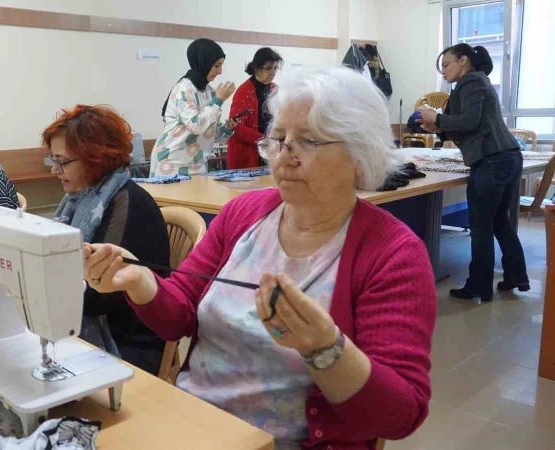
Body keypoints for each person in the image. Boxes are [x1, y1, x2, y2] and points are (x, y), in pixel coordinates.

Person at [84, 67, 436, 449]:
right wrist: (140, 283)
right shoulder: (244, 213)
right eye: (279, 140)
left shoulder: (393, 253)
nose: (285, 157)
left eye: (308, 142)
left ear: (358, 153)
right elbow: (179, 314)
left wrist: (325, 349)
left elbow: (401, 414)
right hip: (192, 423)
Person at [43, 104, 170, 375]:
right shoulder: (80, 200)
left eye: (62, 162)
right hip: (90, 330)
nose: (55, 170)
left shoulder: (129, 203)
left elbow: (100, 296)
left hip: (128, 345)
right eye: (53, 160)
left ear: (95, 158)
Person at [419, 43, 529, 302]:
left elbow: (469, 121)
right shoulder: (475, 83)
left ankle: (479, 286)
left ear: (463, 61)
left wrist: (437, 118)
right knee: (500, 221)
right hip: (507, 157)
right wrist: (435, 126)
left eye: (446, 65)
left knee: (481, 226)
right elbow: (467, 126)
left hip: (491, 160)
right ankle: (516, 275)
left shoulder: (470, 83)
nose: (443, 71)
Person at [150, 38, 238, 177]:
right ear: (203, 63)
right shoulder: (184, 89)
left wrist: (226, 129)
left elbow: (208, 133)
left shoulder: (210, 92)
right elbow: (196, 125)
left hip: (196, 164)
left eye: (221, 65)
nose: (220, 71)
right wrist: (218, 101)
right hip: (171, 163)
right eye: (216, 65)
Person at [227, 47, 283, 169]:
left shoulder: (276, 89)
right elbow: (236, 127)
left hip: (270, 150)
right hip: (247, 153)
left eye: (275, 68)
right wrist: (264, 140)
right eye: (268, 68)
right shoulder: (244, 91)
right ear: (257, 69)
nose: (272, 72)